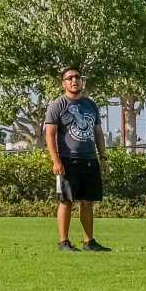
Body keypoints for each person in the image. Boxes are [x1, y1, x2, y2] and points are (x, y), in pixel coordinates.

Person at [45, 67, 111, 252]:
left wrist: (103, 157)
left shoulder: (91, 105)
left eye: (77, 77)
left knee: (88, 201)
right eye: (70, 78)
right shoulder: (57, 105)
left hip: (89, 160)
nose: (75, 80)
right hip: (67, 161)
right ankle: (63, 242)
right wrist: (56, 160)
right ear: (63, 83)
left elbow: (98, 133)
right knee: (66, 201)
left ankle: (89, 242)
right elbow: (49, 135)